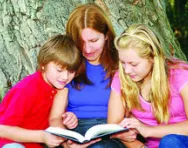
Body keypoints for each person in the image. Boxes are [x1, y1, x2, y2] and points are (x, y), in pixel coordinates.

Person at [50, 3, 128, 148]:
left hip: (112, 133)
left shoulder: (124, 64)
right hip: (75, 133)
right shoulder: (68, 68)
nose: (87, 49)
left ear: (106, 36)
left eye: (93, 40)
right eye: (80, 42)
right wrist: (66, 142)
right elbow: (55, 118)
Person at [108, 23, 188, 148]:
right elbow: (113, 126)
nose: (127, 70)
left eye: (133, 64)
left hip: (181, 142)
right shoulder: (121, 77)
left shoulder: (180, 74)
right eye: (122, 62)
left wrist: (148, 131)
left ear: (153, 58)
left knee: (170, 142)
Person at [0, 34, 82, 148]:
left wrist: (67, 118)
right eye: (59, 70)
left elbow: (53, 120)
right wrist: (42, 136)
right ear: (43, 64)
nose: (65, 77)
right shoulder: (27, 89)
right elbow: (2, 130)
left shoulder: (61, 89)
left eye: (71, 71)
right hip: (8, 143)